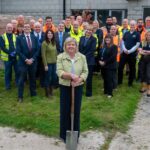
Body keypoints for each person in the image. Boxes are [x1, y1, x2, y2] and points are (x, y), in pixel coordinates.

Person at [56, 37, 88, 142]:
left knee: (76, 111)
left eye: (73, 44)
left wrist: (79, 79)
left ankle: (75, 134)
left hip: (77, 87)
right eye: (68, 44)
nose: (71, 46)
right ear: (65, 46)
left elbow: (85, 71)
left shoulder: (82, 57)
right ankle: (64, 135)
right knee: (65, 110)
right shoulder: (60, 57)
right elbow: (59, 71)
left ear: (76, 46)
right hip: (65, 86)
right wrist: (70, 75)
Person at [16, 23, 39, 102]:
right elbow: (18, 51)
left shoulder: (34, 37)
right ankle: (20, 96)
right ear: (23, 29)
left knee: (32, 78)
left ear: (30, 28)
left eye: (28, 27)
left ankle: (33, 93)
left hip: (33, 62)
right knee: (21, 79)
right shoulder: (19, 38)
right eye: (25, 27)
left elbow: (37, 50)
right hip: (23, 62)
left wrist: (32, 59)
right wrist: (26, 60)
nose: (26, 28)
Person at [118, 20, 140, 86]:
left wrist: (130, 51)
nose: (132, 25)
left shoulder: (137, 34)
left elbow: (137, 44)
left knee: (132, 68)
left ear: (135, 25)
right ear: (129, 25)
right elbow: (122, 42)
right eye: (131, 24)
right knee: (120, 67)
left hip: (132, 54)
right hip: (124, 53)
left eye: (133, 24)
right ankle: (119, 82)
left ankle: (130, 83)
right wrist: (124, 49)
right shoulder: (126, 33)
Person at [79, 25, 96, 97]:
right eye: (87, 30)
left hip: (89, 61)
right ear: (85, 30)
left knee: (89, 78)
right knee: (81, 76)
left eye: (90, 30)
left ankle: (89, 93)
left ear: (92, 32)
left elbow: (92, 50)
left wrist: (84, 57)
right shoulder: (82, 38)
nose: (88, 31)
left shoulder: (94, 39)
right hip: (81, 61)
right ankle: (79, 91)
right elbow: (79, 48)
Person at [0, 23, 18, 90]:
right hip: (7, 58)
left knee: (17, 71)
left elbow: (17, 45)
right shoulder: (2, 37)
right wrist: (10, 53)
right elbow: (2, 47)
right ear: (6, 28)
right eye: (8, 27)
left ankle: (17, 83)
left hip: (15, 57)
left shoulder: (15, 36)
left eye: (11, 27)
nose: (9, 29)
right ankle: (7, 86)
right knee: (7, 72)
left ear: (12, 28)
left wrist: (15, 52)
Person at [99, 34, 117, 98]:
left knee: (109, 79)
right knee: (105, 79)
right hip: (103, 65)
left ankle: (110, 93)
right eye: (106, 38)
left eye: (109, 38)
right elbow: (100, 54)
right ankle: (106, 91)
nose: (107, 39)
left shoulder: (114, 47)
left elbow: (113, 57)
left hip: (110, 66)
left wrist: (105, 62)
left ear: (111, 39)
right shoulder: (103, 46)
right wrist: (99, 61)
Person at [41, 30, 57, 97]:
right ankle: (47, 93)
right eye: (48, 33)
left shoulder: (53, 42)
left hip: (54, 63)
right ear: (46, 35)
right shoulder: (44, 43)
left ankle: (51, 90)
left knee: (54, 78)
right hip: (48, 64)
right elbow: (43, 55)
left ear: (53, 34)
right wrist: (45, 65)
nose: (50, 34)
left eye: (51, 33)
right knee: (48, 78)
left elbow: (55, 52)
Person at [33, 22, 45, 87]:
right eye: (36, 27)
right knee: (34, 70)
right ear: (33, 28)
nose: (37, 28)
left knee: (42, 69)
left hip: (42, 55)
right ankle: (33, 83)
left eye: (38, 27)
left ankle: (42, 83)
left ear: (41, 27)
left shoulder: (44, 34)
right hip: (33, 55)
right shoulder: (31, 34)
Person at [138, 31, 150, 97]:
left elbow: (143, 51)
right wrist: (146, 52)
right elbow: (139, 50)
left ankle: (149, 89)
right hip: (143, 60)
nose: (148, 37)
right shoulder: (142, 42)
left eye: (149, 35)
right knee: (142, 73)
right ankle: (144, 87)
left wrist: (145, 51)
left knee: (148, 74)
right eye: (147, 35)